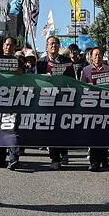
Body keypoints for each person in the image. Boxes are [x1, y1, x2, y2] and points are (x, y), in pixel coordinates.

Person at [36, 35, 71, 169]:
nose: (53, 46)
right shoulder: (41, 63)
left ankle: (64, 151)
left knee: (63, 128)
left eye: (56, 44)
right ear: (46, 46)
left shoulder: (66, 61)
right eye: (51, 44)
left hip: (64, 99)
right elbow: (36, 81)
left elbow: (72, 79)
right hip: (48, 99)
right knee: (51, 129)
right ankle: (54, 159)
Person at [80, 45, 109, 171]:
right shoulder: (86, 70)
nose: (97, 56)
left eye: (99, 54)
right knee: (94, 134)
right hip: (92, 106)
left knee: (104, 133)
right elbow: (81, 87)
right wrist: (87, 86)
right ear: (91, 56)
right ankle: (94, 162)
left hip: (105, 105)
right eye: (95, 54)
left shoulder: (108, 70)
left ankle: (104, 159)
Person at [0, 36, 23, 170]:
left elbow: (26, 78)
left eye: (11, 45)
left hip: (14, 100)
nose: (8, 47)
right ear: (3, 46)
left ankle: (14, 158)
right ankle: (1, 157)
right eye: (6, 45)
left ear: (15, 48)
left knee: (13, 129)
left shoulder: (18, 62)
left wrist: (21, 72)